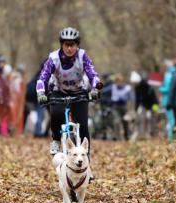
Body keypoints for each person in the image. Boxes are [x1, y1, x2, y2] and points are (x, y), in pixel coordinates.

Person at [36, 27, 100, 155]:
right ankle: (56, 140)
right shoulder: (53, 58)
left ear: (77, 45)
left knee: (82, 127)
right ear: (62, 45)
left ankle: (86, 159)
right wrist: (41, 93)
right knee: (56, 114)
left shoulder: (82, 57)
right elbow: (42, 78)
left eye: (73, 45)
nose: (70, 48)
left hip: (79, 92)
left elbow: (93, 75)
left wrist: (95, 89)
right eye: (67, 45)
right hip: (59, 91)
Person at [134, 72, 159, 138]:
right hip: (143, 105)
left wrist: (155, 105)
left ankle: (152, 133)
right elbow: (137, 99)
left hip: (151, 104)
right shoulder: (137, 88)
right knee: (143, 119)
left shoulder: (147, 86)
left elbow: (153, 97)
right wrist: (136, 108)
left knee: (151, 119)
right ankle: (143, 134)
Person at [110, 74, 133, 140]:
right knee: (116, 122)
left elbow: (131, 98)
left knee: (125, 122)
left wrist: (130, 108)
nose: (118, 83)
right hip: (115, 107)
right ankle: (118, 137)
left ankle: (126, 135)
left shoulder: (127, 88)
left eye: (119, 81)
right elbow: (106, 92)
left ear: (122, 81)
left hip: (124, 106)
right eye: (116, 81)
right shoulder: (113, 87)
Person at [159, 59, 176, 141]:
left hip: (168, 100)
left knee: (171, 120)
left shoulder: (169, 75)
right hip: (170, 100)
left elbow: (168, 88)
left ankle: (171, 138)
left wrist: (161, 88)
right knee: (171, 119)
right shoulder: (172, 73)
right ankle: (171, 136)